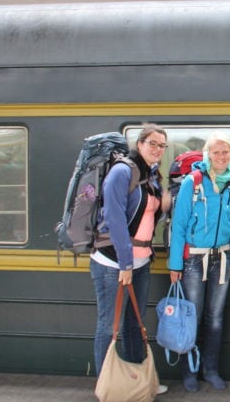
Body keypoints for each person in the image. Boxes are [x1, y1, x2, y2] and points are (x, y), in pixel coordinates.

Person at [90, 124, 171, 394]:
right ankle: (107, 385)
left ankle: (139, 380)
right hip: (113, 262)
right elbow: (115, 221)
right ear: (140, 144)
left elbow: (149, 215)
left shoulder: (151, 176)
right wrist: (125, 263)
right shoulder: (122, 172)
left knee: (134, 321)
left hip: (141, 261)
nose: (157, 149)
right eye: (153, 143)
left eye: (162, 145)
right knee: (108, 325)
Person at [168, 130, 230, 392]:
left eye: (225, 151)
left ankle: (210, 370)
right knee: (192, 317)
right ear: (208, 154)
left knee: (215, 318)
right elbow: (179, 225)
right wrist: (175, 264)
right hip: (193, 260)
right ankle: (190, 372)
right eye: (216, 151)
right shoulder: (193, 181)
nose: (221, 156)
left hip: (221, 257)